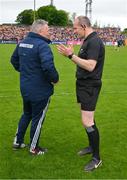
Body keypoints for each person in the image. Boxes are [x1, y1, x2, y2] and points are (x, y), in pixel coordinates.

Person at [57, 16, 105, 172]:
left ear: (84, 26)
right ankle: (92, 146)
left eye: (75, 28)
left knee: (87, 121)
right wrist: (72, 55)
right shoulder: (87, 40)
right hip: (83, 85)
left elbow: (90, 66)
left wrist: (71, 55)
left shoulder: (94, 41)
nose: (74, 31)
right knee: (88, 119)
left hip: (90, 85)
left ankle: (97, 159)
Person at [11, 19, 59, 155]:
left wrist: (26, 72)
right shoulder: (42, 46)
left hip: (25, 87)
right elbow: (48, 67)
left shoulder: (23, 43)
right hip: (40, 90)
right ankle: (34, 148)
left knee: (27, 114)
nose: (50, 32)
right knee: (37, 119)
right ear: (40, 31)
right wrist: (55, 79)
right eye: (48, 29)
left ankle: (18, 141)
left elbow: (13, 60)